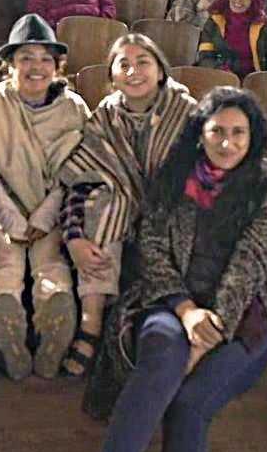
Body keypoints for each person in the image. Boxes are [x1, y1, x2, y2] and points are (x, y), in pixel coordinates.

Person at [65, 89, 267, 452]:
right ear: (199, 134)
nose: (227, 143)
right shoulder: (172, 177)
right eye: (217, 131)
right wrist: (186, 312)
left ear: (253, 138)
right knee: (162, 356)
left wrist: (209, 332)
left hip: (241, 315)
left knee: (190, 403)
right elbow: (152, 252)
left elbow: (251, 264)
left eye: (238, 133)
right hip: (171, 300)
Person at [57, 35, 198, 377]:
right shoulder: (104, 117)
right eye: (124, 65)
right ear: (113, 77)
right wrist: (73, 235)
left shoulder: (188, 113)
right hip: (120, 212)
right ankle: (91, 322)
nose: (134, 72)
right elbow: (82, 179)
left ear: (161, 71)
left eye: (143, 62)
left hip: (174, 210)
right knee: (106, 200)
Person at [0, 17, 91, 381]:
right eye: (26, 57)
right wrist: (11, 220)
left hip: (52, 211)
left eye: (45, 59)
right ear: (10, 65)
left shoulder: (74, 108)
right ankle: (6, 321)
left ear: (57, 66)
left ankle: (54, 320)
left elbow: (80, 168)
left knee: (51, 260)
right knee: (4, 259)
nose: (36, 67)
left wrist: (44, 217)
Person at [195, 0, 267, 77]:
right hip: (220, 77)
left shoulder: (264, 24)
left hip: (254, 80)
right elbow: (205, 58)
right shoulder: (214, 21)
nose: (239, 0)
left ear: (253, 2)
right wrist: (223, 72)